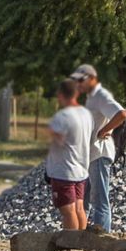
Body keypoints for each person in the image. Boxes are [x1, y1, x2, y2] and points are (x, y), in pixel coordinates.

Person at [71, 64, 126, 232]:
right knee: (84, 199)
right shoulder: (91, 99)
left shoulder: (100, 96)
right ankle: (81, 236)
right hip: (91, 155)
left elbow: (122, 114)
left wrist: (104, 130)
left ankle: (101, 238)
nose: (78, 84)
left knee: (100, 200)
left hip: (99, 154)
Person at [46, 79, 93, 232]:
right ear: (77, 93)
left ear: (60, 95)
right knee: (80, 208)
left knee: (68, 212)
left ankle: (70, 245)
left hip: (64, 170)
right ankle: (81, 245)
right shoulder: (86, 114)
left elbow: (54, 140)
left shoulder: (63, 117)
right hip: (81, 169)